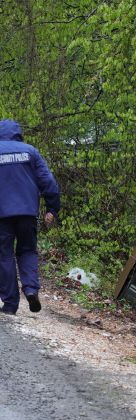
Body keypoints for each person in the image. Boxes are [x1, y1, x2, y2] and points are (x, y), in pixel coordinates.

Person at [0, 119, 60, 315]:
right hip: (27, 213)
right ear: (18, 133)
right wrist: (52, 208)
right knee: (27, 251)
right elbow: (48, 180)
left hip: (2, 216)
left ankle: (10, 305)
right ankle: (31, 290)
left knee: (4, 256)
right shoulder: (30, 151)